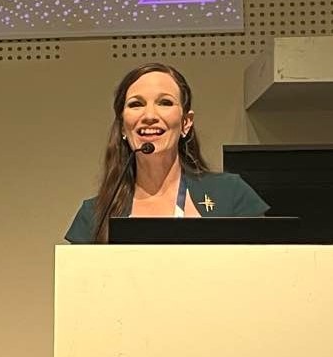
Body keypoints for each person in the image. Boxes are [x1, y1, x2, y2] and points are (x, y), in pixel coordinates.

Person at [65, 62, 268, 244]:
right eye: (136, 104)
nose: (150, 116)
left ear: (185, 123)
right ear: (122, 127)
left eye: (165, 103)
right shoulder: (94, 216)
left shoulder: (230, 195)